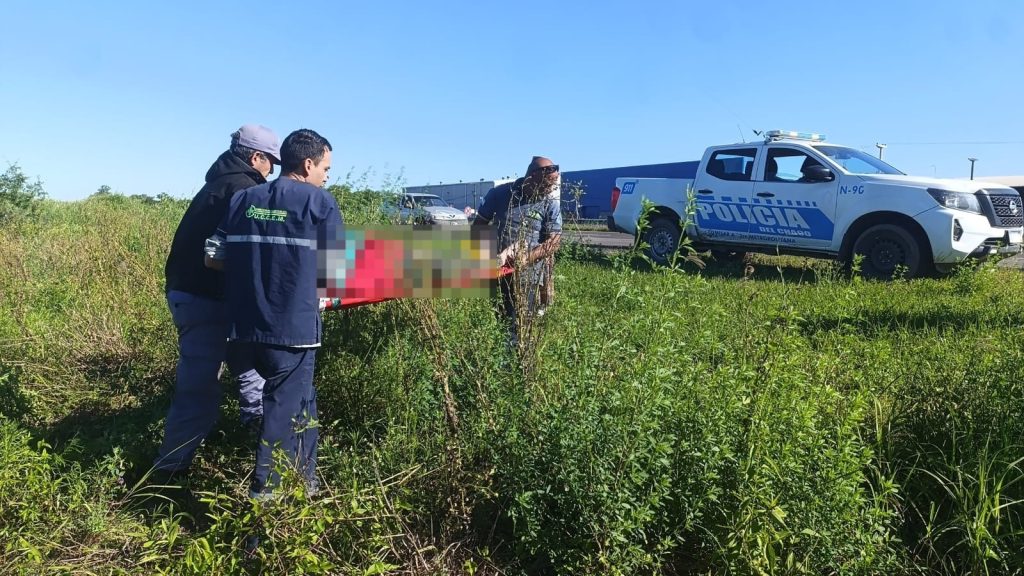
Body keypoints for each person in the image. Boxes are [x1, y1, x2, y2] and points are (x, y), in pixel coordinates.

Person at [205, 128, 340, 499]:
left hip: (242, 327)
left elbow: (213, 257)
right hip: (292, 333)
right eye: (326, 167)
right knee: (281, 416)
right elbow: (334, 277)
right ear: (308, 163)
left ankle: (306, 483)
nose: (327, 175)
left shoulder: (244, 199)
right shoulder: (320, 204)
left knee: (303, 402)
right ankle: (264, 511)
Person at [154, 125, 279, 477]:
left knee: (249, 367)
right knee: (200, 390)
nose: (272, 170)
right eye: (271, 162)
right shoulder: (245, 190)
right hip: (205, 299)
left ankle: (255, 441)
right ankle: (166, 473)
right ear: (256, 158)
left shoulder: (218, 183)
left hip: (195, 294)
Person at [473, 156, 562, 346]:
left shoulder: (549, 203)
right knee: (500, 317)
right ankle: (501, 361)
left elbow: (554, 242)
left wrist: (528, 258)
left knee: (522, 321)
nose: (549, 190)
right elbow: (478, 225)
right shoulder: (500, 194)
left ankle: (520, 363)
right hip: (497, 269)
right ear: (531, 176)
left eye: (552, 185)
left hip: (528, 274)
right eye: (546, 185)